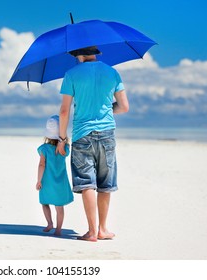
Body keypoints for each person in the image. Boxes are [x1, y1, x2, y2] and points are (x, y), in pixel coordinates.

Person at [56, 46, 129, 242]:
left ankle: (92, 231)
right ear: (96, 52)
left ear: (78, 54)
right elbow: (124, 107)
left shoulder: (71, 74)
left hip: (82, 134)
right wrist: (104, 110)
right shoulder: (112, 72)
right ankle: (103, 229)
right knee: (105, 182)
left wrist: (62, 139)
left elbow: (64, 111)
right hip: (107, 134)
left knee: (86, 182)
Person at [36, 115, 74, 236]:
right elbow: (65, 150)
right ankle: (58, 229)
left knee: (45, 203)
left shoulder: (44, 149)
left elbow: (41, 165)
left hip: (47, 181)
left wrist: (39, 180)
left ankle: (49, 223)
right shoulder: (65, 148)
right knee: (59, 207)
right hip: (60, 182)